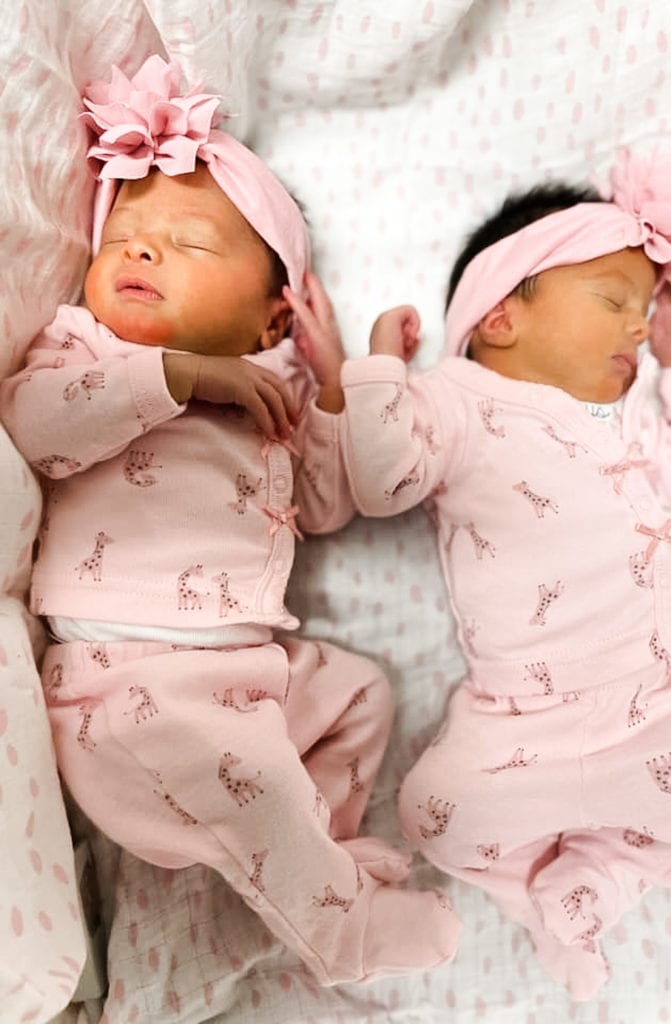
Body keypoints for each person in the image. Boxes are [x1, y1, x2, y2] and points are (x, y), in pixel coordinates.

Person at [0, 56, 460, 987]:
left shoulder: (277, 394)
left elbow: (334, 502)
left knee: (362, 692)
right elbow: (36, 427)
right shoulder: (86, 351)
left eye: (191, 246)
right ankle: (340, 931)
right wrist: (177, 377)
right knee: (255, 791)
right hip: (128, 692)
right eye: (123, 238)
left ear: (267, 320)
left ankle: (314, 871)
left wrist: (335, 373)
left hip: (249, 681)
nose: (140, 252)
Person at [293, 151, 671, 999]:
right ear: (503, 317)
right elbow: (382, 479)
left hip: (650, 708)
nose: (638, 331)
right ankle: (542, 889)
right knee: (433, 813)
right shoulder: (455, 399)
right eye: (615, 301)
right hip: (516, 725)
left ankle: (594, 883)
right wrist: (371, 373)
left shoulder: (616, 425)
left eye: (645, 313)